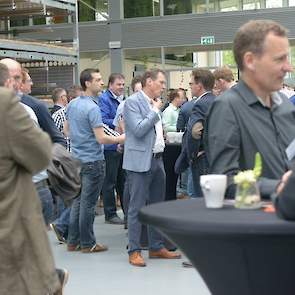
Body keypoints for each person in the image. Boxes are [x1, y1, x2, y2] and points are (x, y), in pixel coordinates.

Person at [205, 20, 295, 198]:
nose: (288, 67)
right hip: (259, 223)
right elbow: (225, 181)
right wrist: (278, 187)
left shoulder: (284, 105)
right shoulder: (227, 107)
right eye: (279, 59)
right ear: (250, 61)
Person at [0, 65, 67, 295]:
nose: (19, 84)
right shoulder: (9, 105)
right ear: (8, 82)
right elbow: (40, 155)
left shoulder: (30, 107)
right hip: (15, 206)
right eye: (15, 79)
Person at [123, 69, 181, 267]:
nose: (164, 87)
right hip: (139, 163)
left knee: (156, 206)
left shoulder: (153, 103)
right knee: (136, 207)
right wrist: (155, 112)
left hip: (157, 160)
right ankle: (135, 250)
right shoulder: (133, 102)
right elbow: (138, 130)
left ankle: (156, 247)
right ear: (149, 81)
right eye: (161, 82)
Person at [65, 68, 125, 253]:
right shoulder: (92, 107)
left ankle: (73, 241)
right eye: (98, 80)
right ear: (87, 83)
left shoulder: (73, 104)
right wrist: (121, 139)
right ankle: (88, 243)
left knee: (77, 202)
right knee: (88, 204)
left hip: (76, 159)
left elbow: (66, 130)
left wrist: (80, 140)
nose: (101, 82)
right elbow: (101, 138)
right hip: (92, 161)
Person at [99, 73, 126, 224]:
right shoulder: (104, 99)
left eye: (123, 84)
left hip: (121, 143)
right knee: (110, 181)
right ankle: (110, 214)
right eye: (118, 84)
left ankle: (126, 211)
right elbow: (102, 120)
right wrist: (119, 120)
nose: (121, 87)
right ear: (110, 85)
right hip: (110, 145)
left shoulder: (122, 99)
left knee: (122, 180)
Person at [186, 69, 215, 198]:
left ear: (199, 85)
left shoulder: (200, 104)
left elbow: (195, 132)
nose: (190, 86)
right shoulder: (217, 100)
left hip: (202, 157)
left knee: (199, 198)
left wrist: (193, 153)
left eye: (191, 83)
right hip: (213, 155)